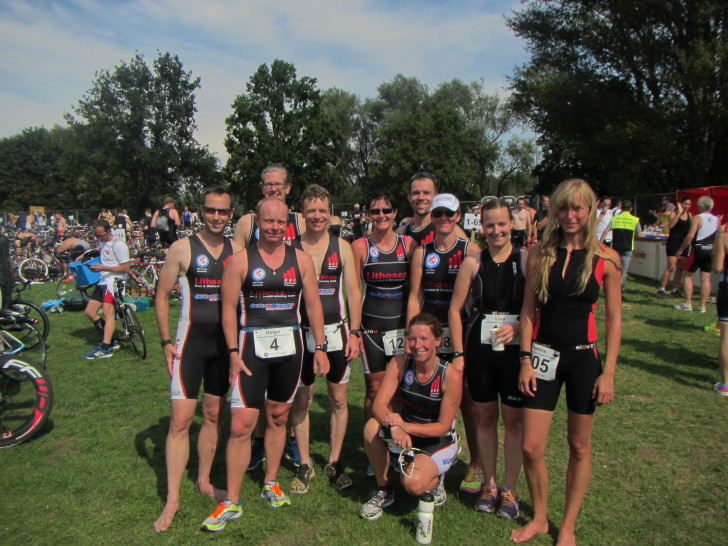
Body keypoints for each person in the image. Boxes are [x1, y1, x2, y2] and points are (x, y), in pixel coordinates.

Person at [201, 197, 329, 532]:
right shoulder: (240, 260)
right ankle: (231, 500)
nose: (274, 227)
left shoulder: (300, 260)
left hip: (291, 348)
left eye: (280, 222)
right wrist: (231, 351)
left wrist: (321, 347)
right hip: (249, 348)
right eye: (267, 221)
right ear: (257, 221)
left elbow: (314, 306)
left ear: (288, 223)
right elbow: (228, 308)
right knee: (242, 424)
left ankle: (271, 481)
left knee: (278, 416)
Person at [511, 178, 622, 545]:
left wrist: (608, 373)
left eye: (578, 208)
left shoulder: (606, 258)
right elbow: (528, 309)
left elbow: (615, 320)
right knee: (531, 447)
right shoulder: (540, 253)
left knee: (579, 446)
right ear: (554, 210)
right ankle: (540, 517)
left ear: (590, 211)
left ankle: (568, 525)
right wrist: (525, 360)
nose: (570, 215)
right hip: (542, 356)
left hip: (583, 360)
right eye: (564, 207)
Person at [153, 185, 240, 533]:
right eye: (210, 210)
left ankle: (204, 481)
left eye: (222, 211)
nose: (216, 217)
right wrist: (164, 342)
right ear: (200, 211)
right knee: (179, 419)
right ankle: (172, 498)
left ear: (231, 214)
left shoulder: (238, 250)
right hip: (190, 345)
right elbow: (160, 296)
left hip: (223, 347)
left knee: (214, 415)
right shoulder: (182, 248)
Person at [449, 198, 526, 519]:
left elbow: (537, 308)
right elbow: (455, 309)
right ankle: (489, 484)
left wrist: (521, 327)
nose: (496, 231)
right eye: (490, 225)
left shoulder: (525, 260)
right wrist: (459, 355)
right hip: (479, 351)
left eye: (502, 224)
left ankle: (509, 488)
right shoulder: (473, 263)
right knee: (483, 418)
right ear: (482, 228)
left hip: (513, 354)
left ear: (513, 225)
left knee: (513, 421)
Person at [288, 185, 362, 494]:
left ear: (330, 212)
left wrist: (356, 332)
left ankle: (333, 461)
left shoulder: (342, 246)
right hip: (300, 334)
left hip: (337, 334)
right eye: (311, 211)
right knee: (302, 399)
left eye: (322, 210)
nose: (317, 216)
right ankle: (305, 463)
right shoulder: (290, 246)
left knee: (338, 399)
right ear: (302, 213)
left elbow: (354, 291)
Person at [405, 193, 481, 494]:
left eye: (449, 214)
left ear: (458, 216)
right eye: (438, 214)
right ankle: (433, 453)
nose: (444, 219)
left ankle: (475, 464)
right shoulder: (423, 253)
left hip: (462, 335)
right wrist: (413, 337)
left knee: (470, 402)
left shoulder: (470, 250)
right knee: (428, 396)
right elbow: (416, 296)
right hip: (430, 338)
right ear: (432, 218)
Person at [359, 313, 462, 520]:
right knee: (371, 426)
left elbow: (443, 426)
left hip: (437, 439)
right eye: (412, 339)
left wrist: (405, 427)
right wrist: (396, 427)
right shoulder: (400, 362)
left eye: (424, 339)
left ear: (438, 341)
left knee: (413, 484)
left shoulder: (450, 375)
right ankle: (384, 489)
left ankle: (437, 475)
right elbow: (379, 404)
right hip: (406, 430)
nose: (417, 345)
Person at [352, 192, 418, 425]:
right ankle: (374, 447)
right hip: (371, 329)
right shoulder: (360, 246)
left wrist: (412, 331)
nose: (381, 215)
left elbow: (416, 291)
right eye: (375, 211)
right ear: (368, 214)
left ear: (395, 213)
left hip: (401, 328)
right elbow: (353, 291)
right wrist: (354, 331)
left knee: (399, 388)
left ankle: (395, 443)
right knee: (374, 388)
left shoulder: (408, 245)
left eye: (386, 210)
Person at [82, 219, 131, 359]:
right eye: (96, 236)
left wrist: (103, 268)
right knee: (90, 312)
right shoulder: (102, 241)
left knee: (107, 313)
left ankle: (106, 347)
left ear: (108, 231)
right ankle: (111, 339)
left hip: (114, 282)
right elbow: (103, 252)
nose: (98, 238)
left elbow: (126, 268)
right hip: (103, 280)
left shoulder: (119, 245)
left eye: (100, 235)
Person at [675, 195, 719, 313]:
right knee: (706, 278)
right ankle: (702, 305)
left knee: (688, 275)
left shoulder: (697, 218)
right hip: (710, 249)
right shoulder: (716, 219)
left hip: (698, 249)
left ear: (700, 206)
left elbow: (690, 236)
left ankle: (688, 303)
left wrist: (681, 249)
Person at [397, 171, 467, 245]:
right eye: (416, 193)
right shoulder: (401, 233)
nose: (421, 197)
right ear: (409, 197)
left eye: (426, 193)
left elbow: (474, 253)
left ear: (436, 197)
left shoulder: (450, 229)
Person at [601, 200, 642, 292]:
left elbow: (606, 231)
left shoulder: (615, 219)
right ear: (631, 209)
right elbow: (640, 234)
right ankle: (620, 289)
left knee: (614, 269)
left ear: (621, 208)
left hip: (615, 247)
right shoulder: (635, 220)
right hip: (628, 248)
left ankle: (611, 287)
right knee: (624, 270)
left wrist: (600, 242)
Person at [657, 196, 692, 299]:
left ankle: (675, 289)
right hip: (674, 242)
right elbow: (671, 225)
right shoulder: (674, 213)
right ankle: (661, 289)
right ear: (681, 204)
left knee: (680, 268)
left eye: (689, 204)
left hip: (684, 244)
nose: (687, 206)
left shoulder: (690, 215)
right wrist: (680, 213)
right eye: (685, 204)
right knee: (671, 267)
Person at [711, 220, 728, 397]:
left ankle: (725, 384)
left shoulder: (724, 236)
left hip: (727, 289)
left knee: (726, 336)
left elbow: (717, 268)